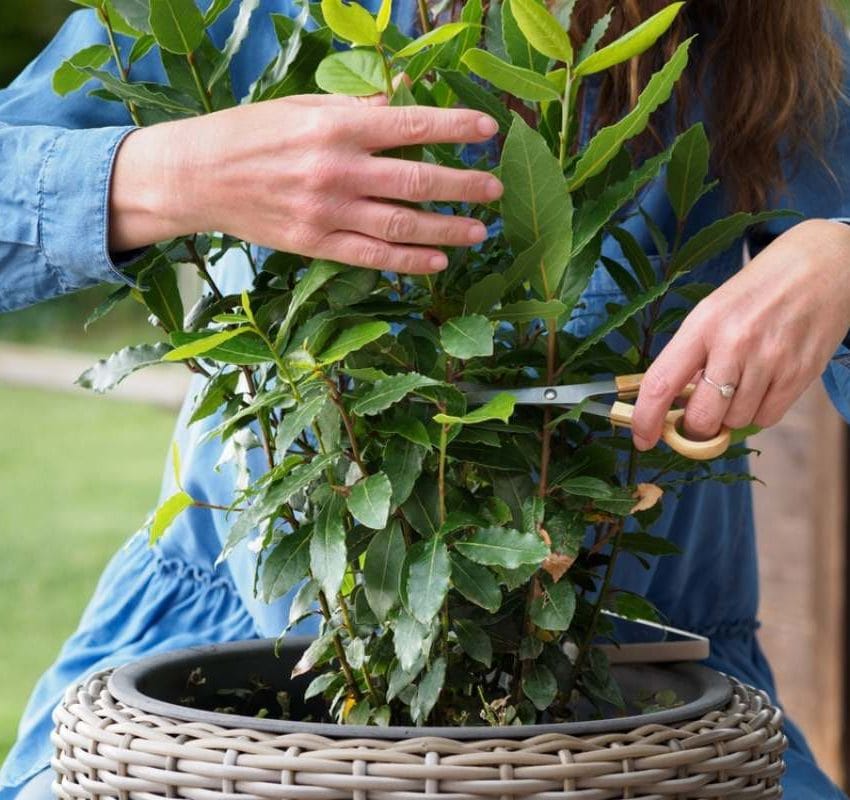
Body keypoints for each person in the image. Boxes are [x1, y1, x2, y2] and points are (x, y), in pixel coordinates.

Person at [1, 1, 849, 797]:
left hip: (649, 687)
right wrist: (164, 173)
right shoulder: (260, 14)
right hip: (217, 660)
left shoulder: (751, 36)